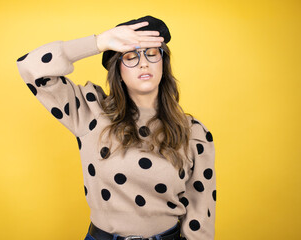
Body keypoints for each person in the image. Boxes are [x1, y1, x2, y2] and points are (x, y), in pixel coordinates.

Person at [16, 16, 216, 240]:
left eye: (151, 53)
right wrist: (99, 42)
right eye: (130, 57)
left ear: (163, 62)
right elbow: (30, 66)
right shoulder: (90, 111)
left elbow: (201, 219)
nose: (143, 63)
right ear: (118, 71)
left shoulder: (193, 132)